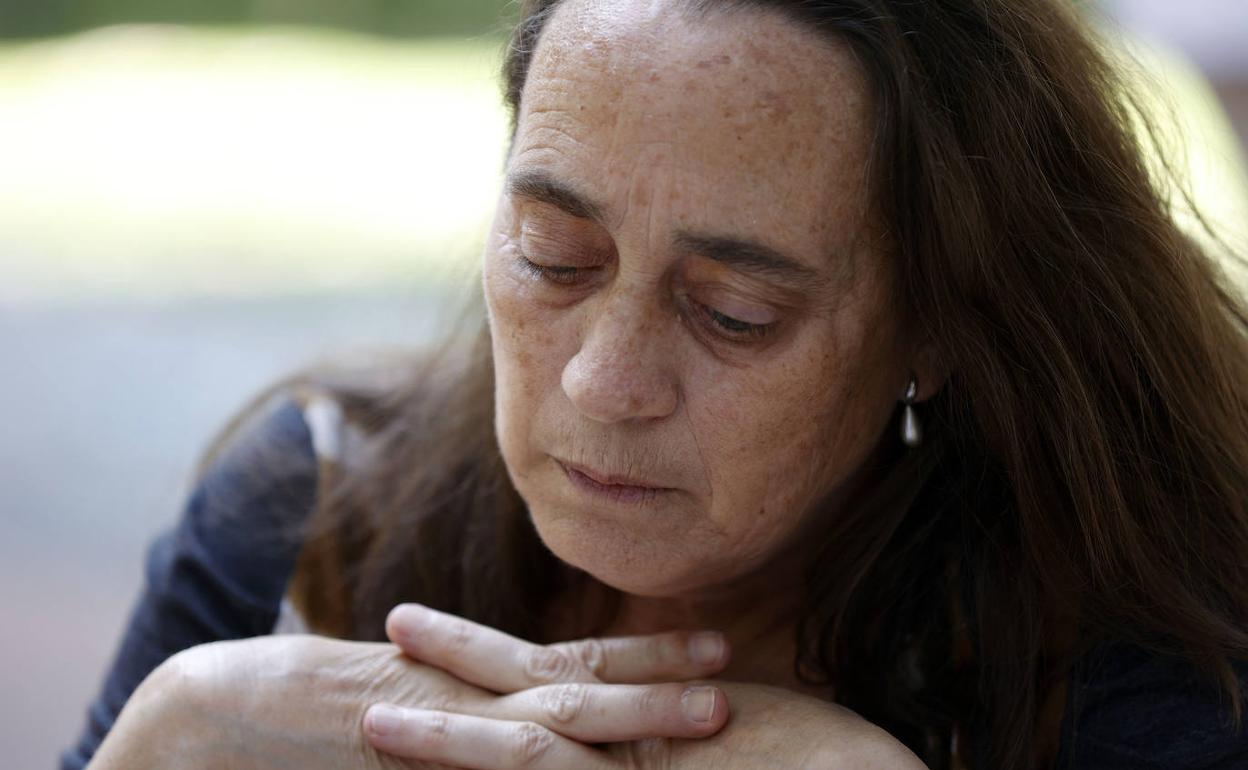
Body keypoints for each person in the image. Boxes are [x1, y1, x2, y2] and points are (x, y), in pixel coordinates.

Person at [64, 0, 1248, 768]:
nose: (601, 377)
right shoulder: (316, 511)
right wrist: (168, 732)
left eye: (735, 313)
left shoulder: (1130, 656)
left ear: (934, 328)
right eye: (552, 257)